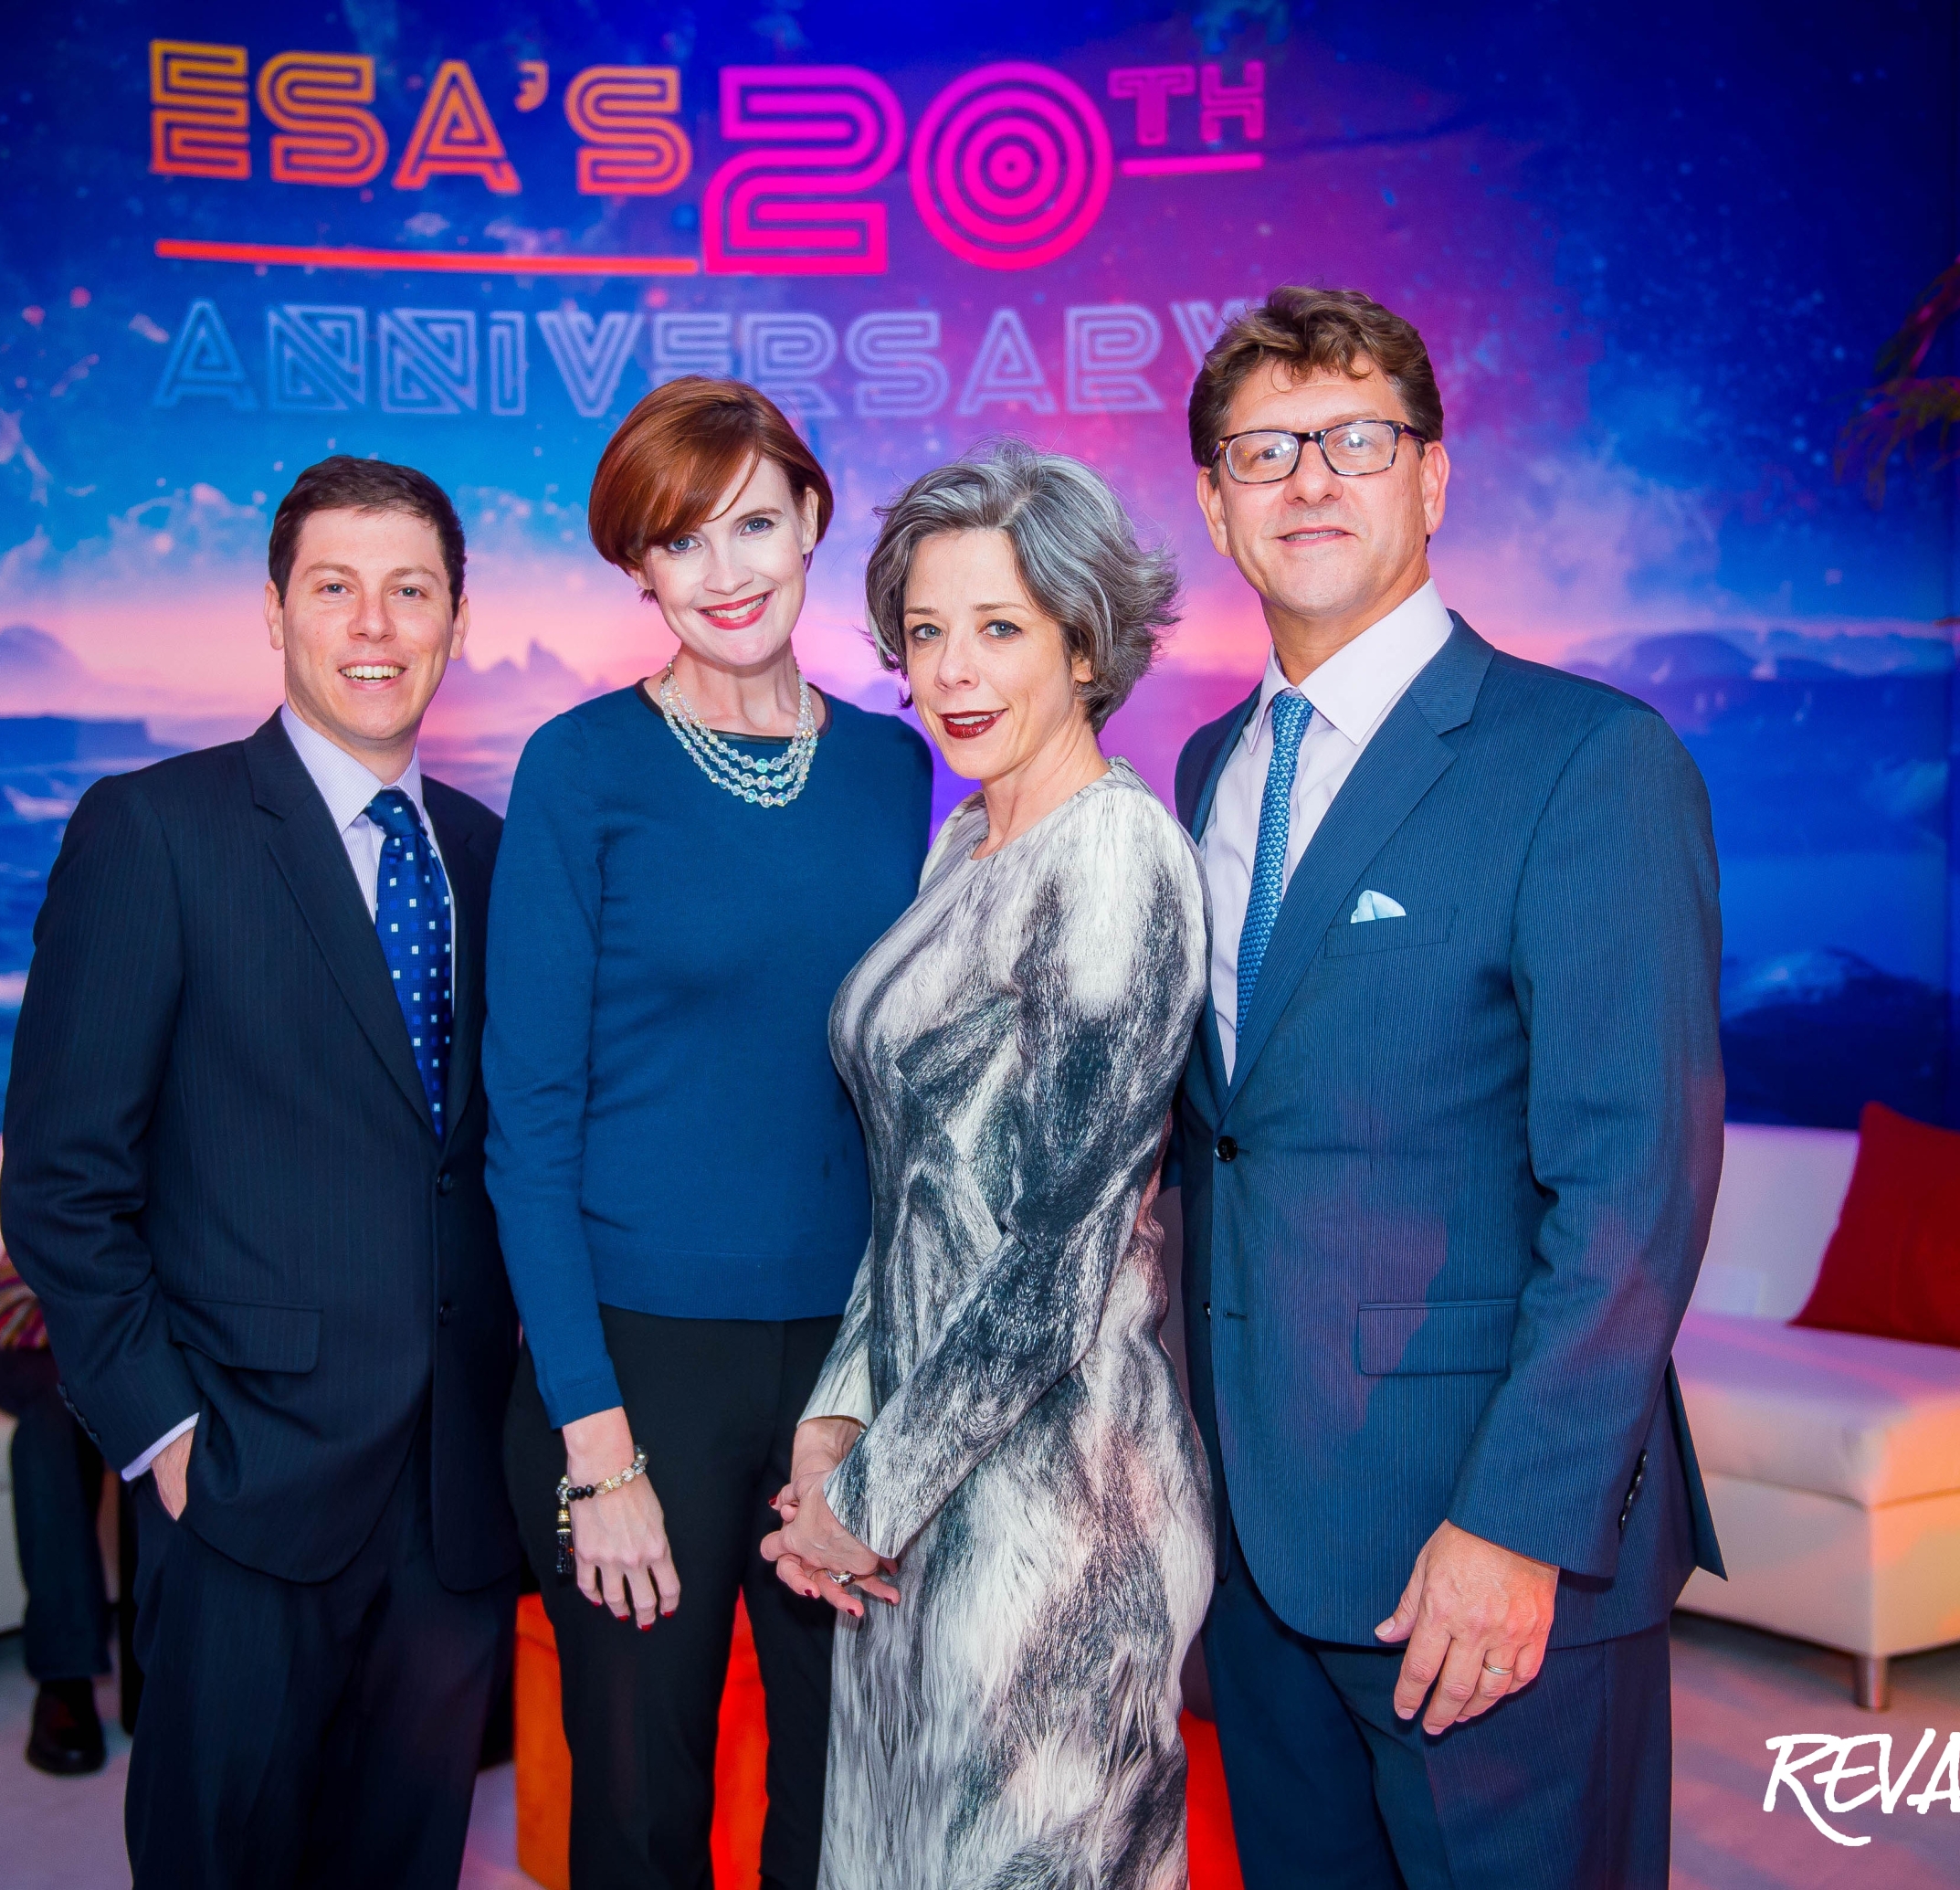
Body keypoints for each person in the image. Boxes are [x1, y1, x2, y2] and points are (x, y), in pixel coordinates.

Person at [1168, 286, 1726, 1889]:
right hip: (1261, 1545)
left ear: (1431, 477)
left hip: (1476, 1552)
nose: (1308, 480)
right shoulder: (1207, 771)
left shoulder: (1585, 759)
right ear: (1212, 503)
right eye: (1263, 450)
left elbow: (1634, 1184)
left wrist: (1517, 1523)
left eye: (1356, 438)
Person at [0, 456, 520, 1889]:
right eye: (336, 587)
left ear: (457, 620)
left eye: (411, 590)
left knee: (405, 1861)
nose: (376, 625)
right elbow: (61, 1178)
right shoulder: (154, 832)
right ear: (276, 612)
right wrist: (161, 1431)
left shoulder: (490, 854)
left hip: (453, 1493)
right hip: (242, 1480)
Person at [483, 376, 933, 1890]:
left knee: (840, 1802)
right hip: (637, 1370)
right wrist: (595, 1450)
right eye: (680, 541)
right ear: (640, 569)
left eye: (752, 523)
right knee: (640, 1815)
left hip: (844, 1368)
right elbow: (526, 1127)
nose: (725, 570)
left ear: (811, 521)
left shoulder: (890, 767)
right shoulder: (581, 768)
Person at [760, 441, 1210, 1890]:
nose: (952, 670)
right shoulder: (966, 841)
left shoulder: (1115, 856)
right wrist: (837, 1422)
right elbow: (914, 1190)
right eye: (926, 629)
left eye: (1000, 627)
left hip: (1057, 1516)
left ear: (1086, 642)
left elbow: (1059, 1257)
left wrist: (863, 1497)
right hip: (916, 1493)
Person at [0, 1252, 115, 1775]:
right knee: (62, 1402)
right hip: (32, 1321)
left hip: (135, 1322)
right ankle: (65, 1674)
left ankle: (176, 1663)